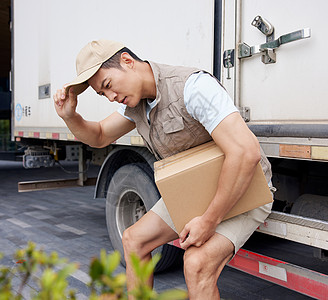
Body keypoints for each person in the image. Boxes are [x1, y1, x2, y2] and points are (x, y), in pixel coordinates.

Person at [53, 40, 274, 299]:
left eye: (108, 85)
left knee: (196, 263)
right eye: (103, 94)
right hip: (198, 191)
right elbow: (100, 135)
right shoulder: (137, 106)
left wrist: (209, 220)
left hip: (246, 189)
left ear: (127, 61)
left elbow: (245, 153)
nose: (111, 97)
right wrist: (69, 116)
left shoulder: (192, 87)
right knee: (133, 241)